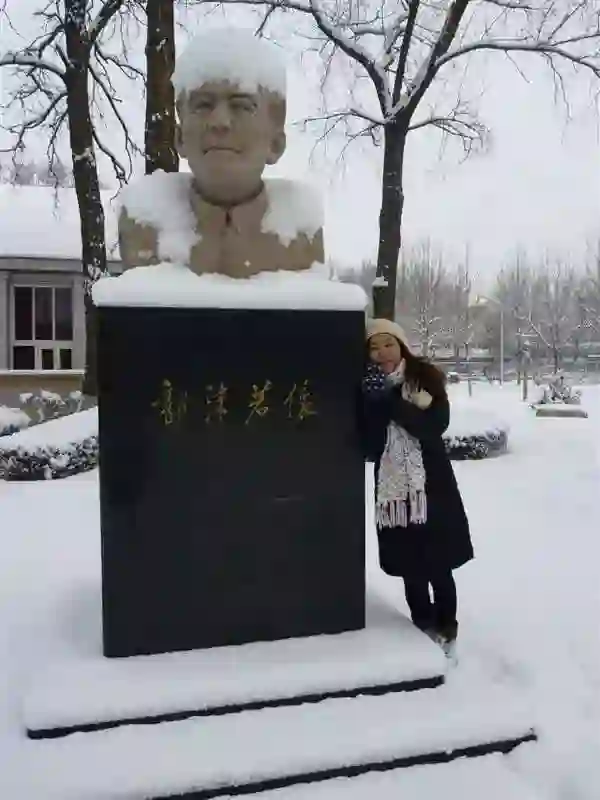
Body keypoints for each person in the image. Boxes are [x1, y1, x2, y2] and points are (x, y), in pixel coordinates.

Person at [359, 318, 474, 655]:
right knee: (411, 565)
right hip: (393, 489)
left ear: (402, 346)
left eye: (388, 344)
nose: (382, 353)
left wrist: (389, 400)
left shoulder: (426, 379)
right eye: (374, 347)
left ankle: (447, 628)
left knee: (439, 562)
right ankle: (422, 626)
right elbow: (370, 446)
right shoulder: (365, 389)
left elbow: (432, 426)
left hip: (433, 485)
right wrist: (372, 403)